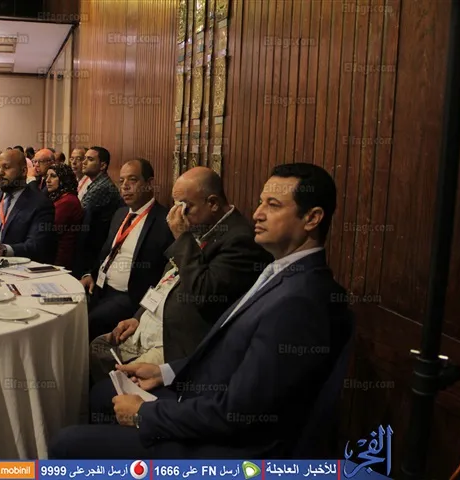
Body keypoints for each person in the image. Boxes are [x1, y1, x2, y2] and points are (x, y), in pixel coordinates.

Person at [50, 163, 353, 459]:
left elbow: (239, 412)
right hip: (203, 391)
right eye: (261, 202)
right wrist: (164, 372)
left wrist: (145, 414)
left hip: (229, 448)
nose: (257, 213)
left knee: (67, 443)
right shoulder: (282, 272)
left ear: (312, 218)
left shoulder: (300, 300)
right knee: (102, 395)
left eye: (273, 205)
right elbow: (230, 349)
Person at [89, 167, 273, 382]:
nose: (178, 216)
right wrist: (138, 317)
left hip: (174, 340)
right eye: (175, 206)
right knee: (98, 347)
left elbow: (204, 293)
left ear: (213, 203)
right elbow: (166, 281)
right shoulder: (201, 225)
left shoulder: (240, 241)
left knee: (117, 379)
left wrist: (183, 239)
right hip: (152, 322)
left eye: (185, 206)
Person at [80, 159, 174, 340]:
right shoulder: (120, 213)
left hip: (129, 296)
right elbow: (106, 253)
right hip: (99, 287)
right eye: (121, 181)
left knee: (89, 321)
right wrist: (90, 274)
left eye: (132, 180)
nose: (125, 186)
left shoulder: (164, 221)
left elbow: (165, 275)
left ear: (149, 183)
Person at [0, 149, 57, 262]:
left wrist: (2, 250)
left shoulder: (40, 204)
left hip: (13, 266)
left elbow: (36, 246)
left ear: (23, 171)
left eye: (6, 167)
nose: (0, 173)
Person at [74, 146, 123, 278]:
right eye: (84, 158)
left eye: (90, 159)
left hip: (96, 251)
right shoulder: (97, 183)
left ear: (102, 166)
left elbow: (78, 214)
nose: (84, 162)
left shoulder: (102, 187)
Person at [45, 162, 83, 270]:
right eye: (47, 176)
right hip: (52, 253)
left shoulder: (68, 201)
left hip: (59, 259)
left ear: (64, 179)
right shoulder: (58, 197)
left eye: (53, 176)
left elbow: (49, 230)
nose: (47, 180)